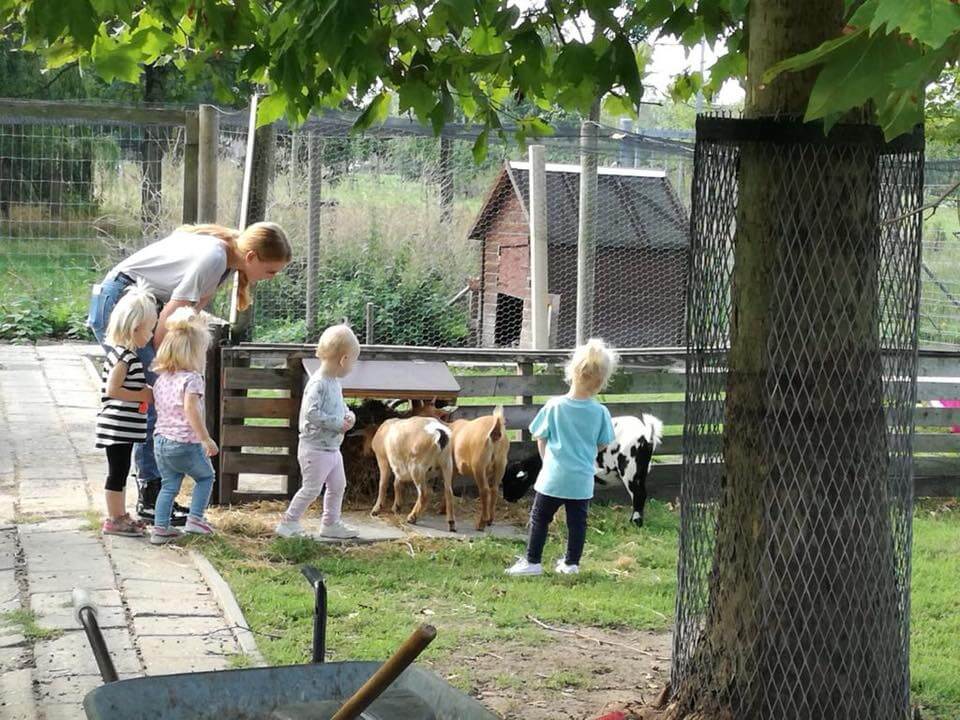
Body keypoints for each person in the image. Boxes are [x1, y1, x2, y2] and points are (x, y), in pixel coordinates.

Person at [87, 222, 292, 524]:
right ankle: (152, 498)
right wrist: (165, 371)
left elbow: (187, 315)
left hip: (138, 305)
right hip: (124, 305)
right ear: (251, 257)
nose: (272, 278)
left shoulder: (225, 260)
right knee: (154, 400)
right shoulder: (214, 258)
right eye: (271, 271)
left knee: (155, 398)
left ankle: (151, 493)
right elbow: (168, 322)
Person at [505, 339, 617, 576]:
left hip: (553, 477)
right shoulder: (600, 412)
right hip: (582, 479)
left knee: (540, 517)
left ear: (572, 371)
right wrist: (587, 454)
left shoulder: (555, 406)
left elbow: (540, 435)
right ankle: (571, 564)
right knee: (577, 523)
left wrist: (547, 459)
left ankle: (532, 562)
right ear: (601, 382)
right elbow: (604, 442)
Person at [276, 324, 360, 540]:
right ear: (343, 359)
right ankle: (288, 522)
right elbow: (311, 414)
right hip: (315, 449)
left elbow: (340, 407)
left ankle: (331, 523)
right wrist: (336, 423)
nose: (353, 365)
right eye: (353, 360)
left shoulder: (335, 383)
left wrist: (349, 415)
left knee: (338, 485)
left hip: (332, 448)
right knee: (312, 488)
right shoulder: (318, 384)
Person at [149, 308, 218, 544]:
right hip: (183, 443)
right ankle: (196, 519)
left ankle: (160, 529)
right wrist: (205, 438)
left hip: (160, 442)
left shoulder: (162, 379)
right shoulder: (192, 379)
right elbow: (191, 409)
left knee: (168, 486)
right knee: (206, 477)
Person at [95, 281, 158, 537]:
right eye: (149, 330)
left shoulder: (122, 354)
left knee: (120, 471)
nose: (152, 335)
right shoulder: (125, 357)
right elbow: (112, 390)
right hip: (117, 427)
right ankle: (114, 519)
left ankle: (120, 515)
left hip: (123, 426)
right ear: (134, 329)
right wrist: (142, 393)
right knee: (117, 473)